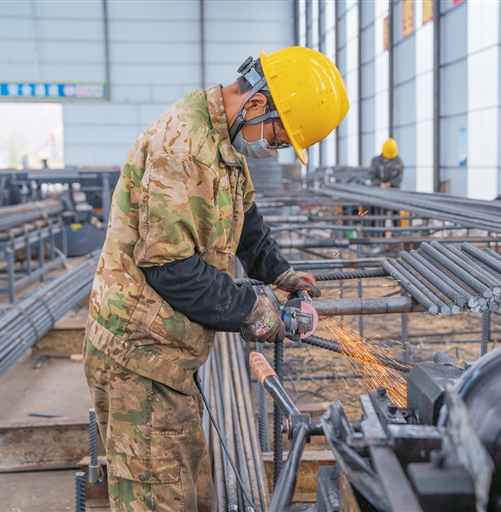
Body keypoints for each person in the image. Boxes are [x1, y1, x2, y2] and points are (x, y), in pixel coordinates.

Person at [83, 46, 348, 512]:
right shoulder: (182, 148)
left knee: (191, 493)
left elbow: (246, 219)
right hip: (139, 358)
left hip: (168, 354)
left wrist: (278, 272)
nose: (273, 150)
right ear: (256, 103)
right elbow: (170, 268)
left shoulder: (224, 140)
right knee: (160, 500)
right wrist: (253, 310)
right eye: (278, 140)